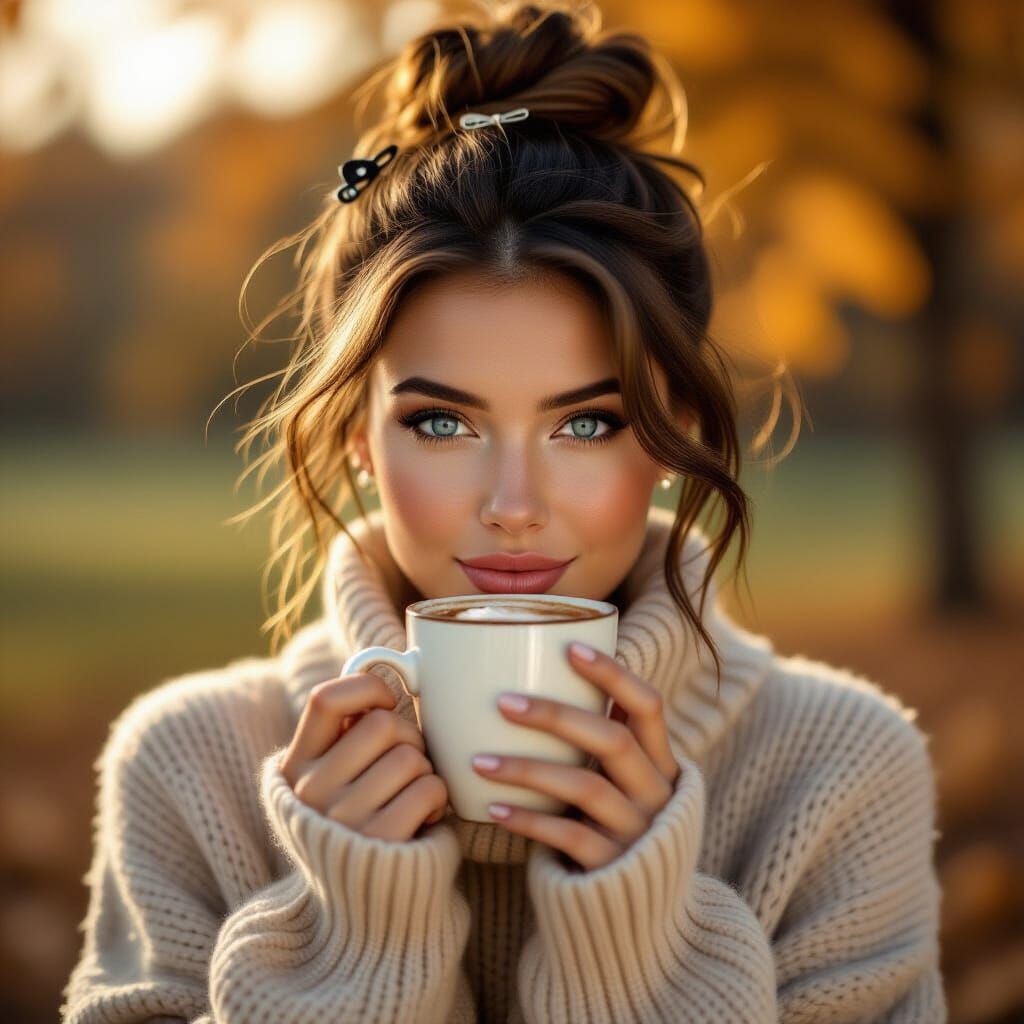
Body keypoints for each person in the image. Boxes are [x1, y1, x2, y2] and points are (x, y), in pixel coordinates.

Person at [60, 1, 945, 1021]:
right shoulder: (190, 767)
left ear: (669, 433)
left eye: (587, 425)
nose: (514, 508)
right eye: (443, 425)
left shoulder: (837, 774)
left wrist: (636, 948)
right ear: (357, 434)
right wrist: (349, 944)